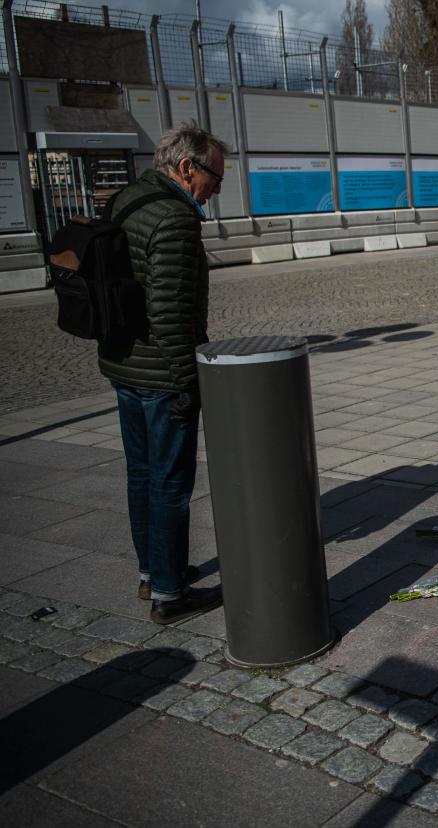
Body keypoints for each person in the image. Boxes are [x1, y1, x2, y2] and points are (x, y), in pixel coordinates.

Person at [99, 124, 228, 624]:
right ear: (186, 167)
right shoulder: (174, 218)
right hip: (160, 374)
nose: (217, 189)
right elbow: (171, 310)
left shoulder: (128, 199)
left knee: (141, 474)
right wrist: (185, 383)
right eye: (214, 177)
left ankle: (154, 572)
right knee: (170, 485)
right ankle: (171, 595)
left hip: (124, 364)